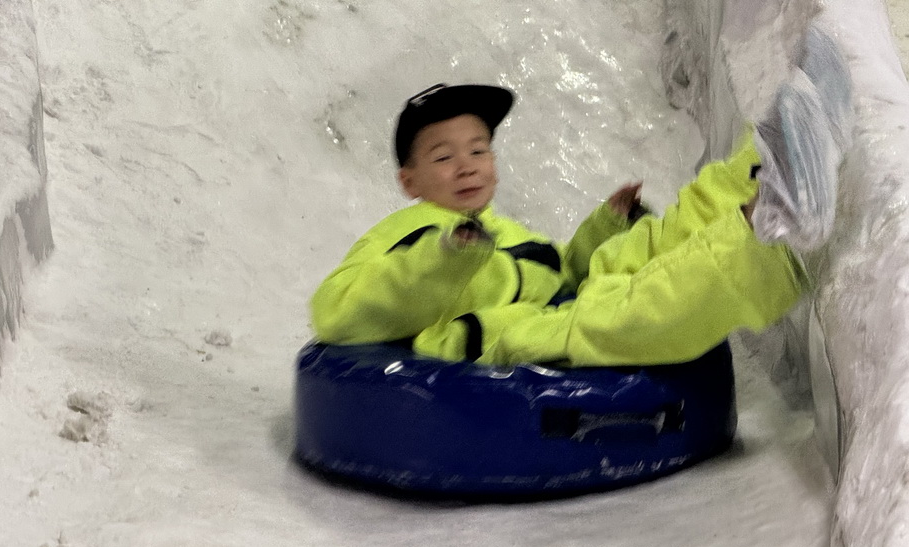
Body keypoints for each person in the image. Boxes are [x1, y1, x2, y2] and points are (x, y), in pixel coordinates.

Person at [310, 26, 851, 368]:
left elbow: (562, 274)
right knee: (632, 307)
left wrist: (605, 228)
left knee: (654, 242)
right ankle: (771, 227)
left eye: (478, 149)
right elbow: (337, 313)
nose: (466, 166)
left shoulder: (502, 232)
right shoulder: (408, 232)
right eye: (443, 156)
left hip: (558, 305)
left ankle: (762, 163)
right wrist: (442, 259)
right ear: (409, 180)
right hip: (499, 344)